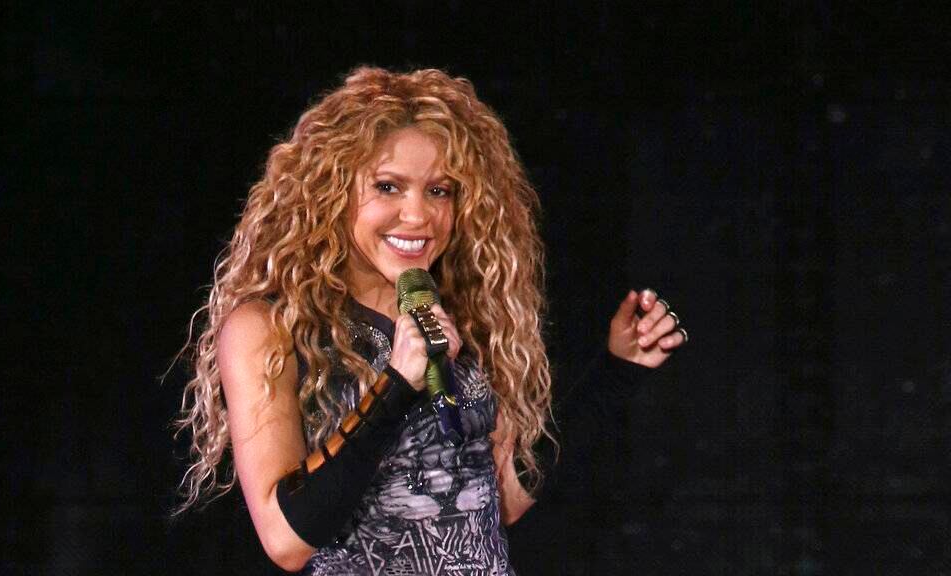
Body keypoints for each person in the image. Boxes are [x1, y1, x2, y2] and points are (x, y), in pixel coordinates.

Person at [176, 67, 687, 575]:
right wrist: (396, 385)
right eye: (388, 186)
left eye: (440, 191)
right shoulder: (271, 328)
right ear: (331, 190)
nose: (419, 215)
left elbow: (502, 500)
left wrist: (616, 371)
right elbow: (286, 541)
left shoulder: (470, 312)